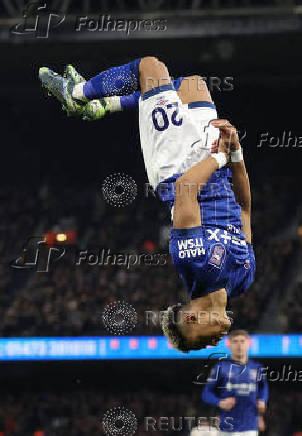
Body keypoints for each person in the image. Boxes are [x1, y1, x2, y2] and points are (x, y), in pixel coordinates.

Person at [39, 57, 256, 352]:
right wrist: (236, 155)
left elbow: (185, 190)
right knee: (193, 83)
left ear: (191, 317)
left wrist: (220, 157)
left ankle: (75, 95)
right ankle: (106, 105)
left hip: (176, 165)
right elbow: (244, 209)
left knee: (150, 69)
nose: (214, 343)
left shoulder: (193, 264)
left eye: (202, 340)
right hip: (212, 161)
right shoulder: (243, 278)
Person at [202, 330, 268, 436]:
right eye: (235, 341)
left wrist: (263, 400)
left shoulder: (257, 368)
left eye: (242, 341)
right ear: (228, 344)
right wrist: (220, 402)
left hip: (249, 428)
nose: (239, 345)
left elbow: (263, 389)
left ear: (249, 343)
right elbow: (206, 394)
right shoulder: (221, 368)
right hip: (226, 428)